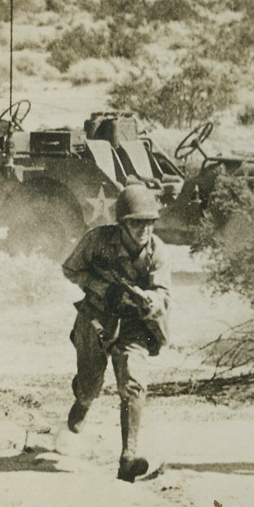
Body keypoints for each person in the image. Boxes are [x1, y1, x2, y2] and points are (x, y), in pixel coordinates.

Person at [61, 183, 170, 482]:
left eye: (149, 223)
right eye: (136, 223)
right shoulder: (97, 240)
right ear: (122, 223)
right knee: (90, 383)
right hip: (95, 316)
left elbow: (163, 294)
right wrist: (100, 287)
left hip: (134, 323)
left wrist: (150, 301)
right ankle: (82, 402)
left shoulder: (157, 252)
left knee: (134, 383)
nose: (143, 230)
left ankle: (128, 456)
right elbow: (71, 269)